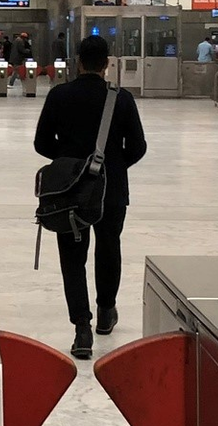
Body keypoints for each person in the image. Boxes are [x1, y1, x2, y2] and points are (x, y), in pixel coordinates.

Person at [33, 34, 148, 359]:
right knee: (109, 247)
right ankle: (106, 312)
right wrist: (109, 166)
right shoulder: (121, 98)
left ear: (78, 61)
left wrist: (71, 162)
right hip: (110, 190)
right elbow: (138, 147)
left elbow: (42, 143)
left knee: (73, 257)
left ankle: (82, 327)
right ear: (107, 64)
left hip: (69, 191)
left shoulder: (59, 95)